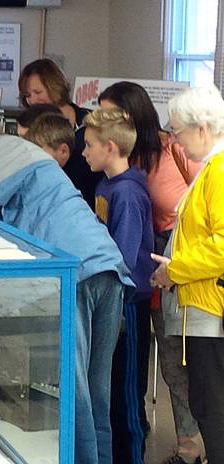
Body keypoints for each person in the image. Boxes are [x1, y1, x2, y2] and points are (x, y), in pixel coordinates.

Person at [0, 118, 133, 464]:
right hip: (107, 266)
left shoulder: (4, 151)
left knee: (76, 392)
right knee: (97, 393)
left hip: (76, 272)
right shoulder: (28, 157)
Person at [98, 81, 204, 464]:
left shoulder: (173, 148)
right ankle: (185, 442)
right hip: (149, 259)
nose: (105, 119)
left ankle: (192, 444)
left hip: (177, 256)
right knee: (156, 356)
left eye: (114, 112)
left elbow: (203, 196)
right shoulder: (120, 161)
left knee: (178, 354)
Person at [151, 86, 224, 464]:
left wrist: (174, 270)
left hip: (210, 311)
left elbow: (222, 246)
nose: (175, 141)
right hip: (200, 308)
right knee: (207, 406)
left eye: (178, 132)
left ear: (203, 128)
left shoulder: (219, 171)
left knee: (213, 410)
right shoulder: (211, 169)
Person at [83, 108, 155, 464]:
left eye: (89, 145)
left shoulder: (127, 193)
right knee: (109, 390)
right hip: (110, 298)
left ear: (109, 147)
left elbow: (122, 255)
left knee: (127, 394)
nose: (84, 153)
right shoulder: (105, 186)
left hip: (127, 301)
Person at [18, 58, 104, 208]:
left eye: (38, 92)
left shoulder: (90, 122)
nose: (32, 100)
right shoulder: (30, 125)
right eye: (27, 95)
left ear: (54, 87)